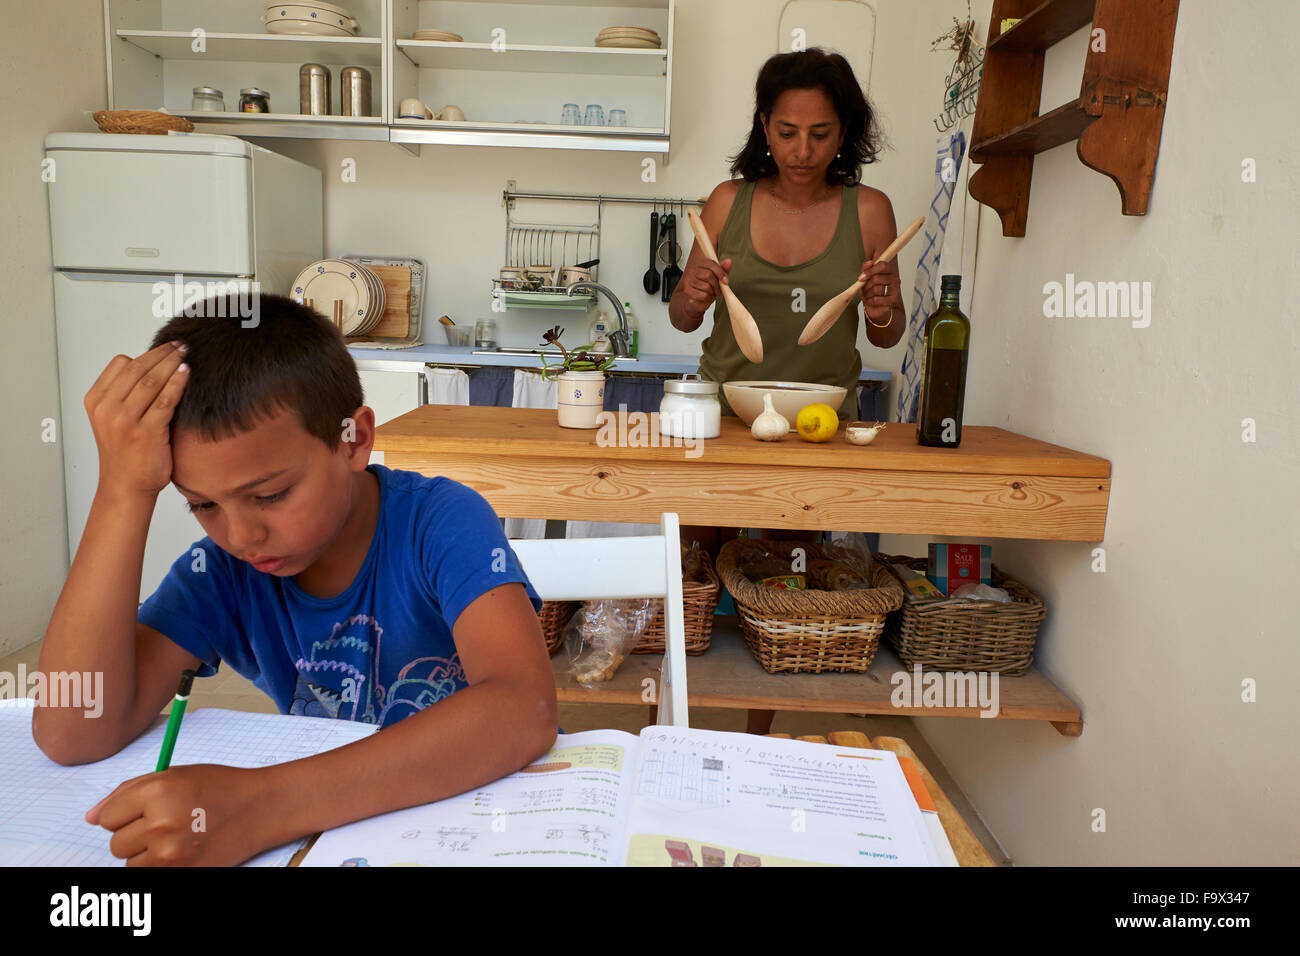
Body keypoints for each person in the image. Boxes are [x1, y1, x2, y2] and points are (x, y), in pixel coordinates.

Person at [34, 293, 558, 865]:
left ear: (352, 439)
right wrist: (122, 491)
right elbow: (71, 730)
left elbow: (522, 708)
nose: (241, 535)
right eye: (202, 505)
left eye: (270, 495)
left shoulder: (441, 521)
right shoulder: (221, 573)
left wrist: (258, 807)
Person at [669, 48, 906, 422]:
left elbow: (888, 335)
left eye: (821, 134)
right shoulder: (726, 202)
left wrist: (881, 312)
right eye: (787, 133)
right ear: (765, 127)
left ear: (843, 132)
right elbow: (682, 318)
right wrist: (694, 300)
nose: (803, 151)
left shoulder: (870, 211)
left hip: (825, 421)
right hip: (725, 417)